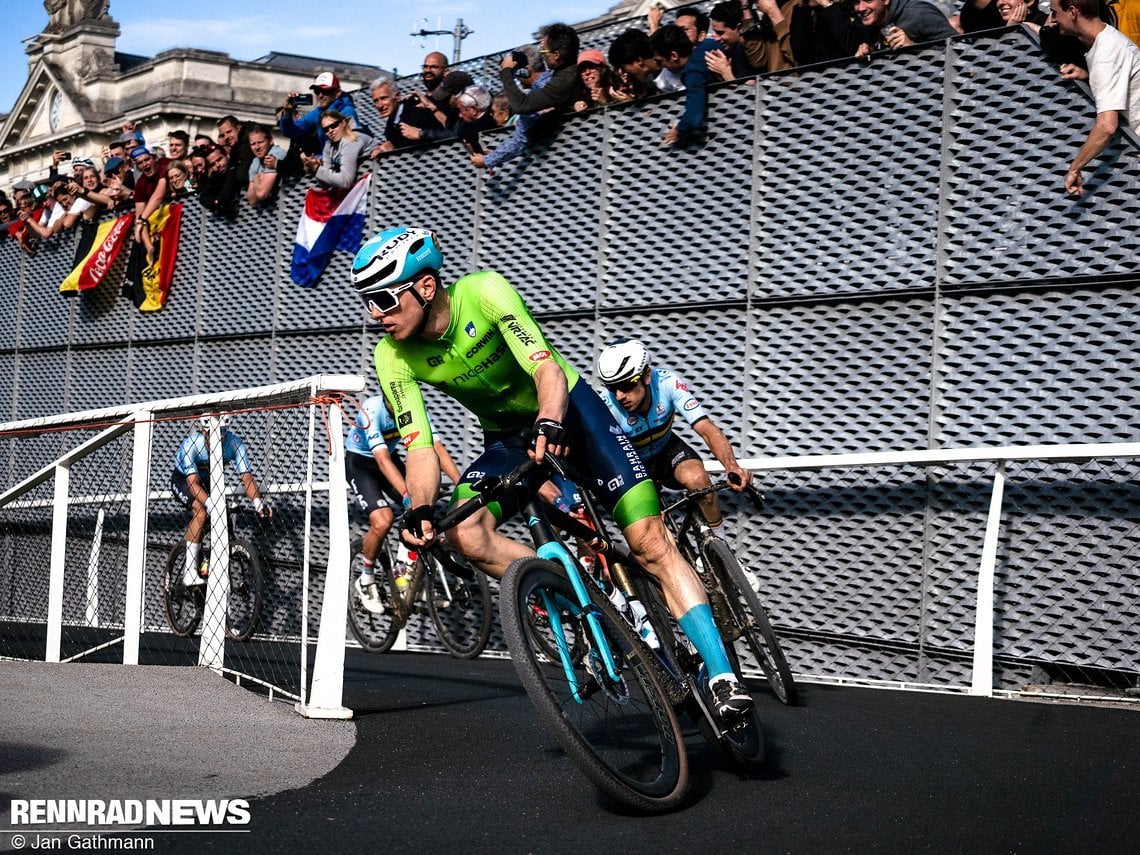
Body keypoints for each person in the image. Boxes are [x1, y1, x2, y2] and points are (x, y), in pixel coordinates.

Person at [349, 226, 754, 721]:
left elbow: (546, 370)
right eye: (367, 302)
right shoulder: (391, 355)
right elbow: (418, 445)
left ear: (426, 287)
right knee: (466, 533)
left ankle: (722, 679)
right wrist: (419, 508)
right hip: (506, 437)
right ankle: (593, 596)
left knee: (650, 543)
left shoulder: (484, 291)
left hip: (572, 411)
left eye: (384, 300)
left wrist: (549, 419)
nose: (376, 314)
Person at [595, 338, 753, 534]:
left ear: (646, 376)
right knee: (651, 531)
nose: (619, 396)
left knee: (699, 480)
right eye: (612, 387)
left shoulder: (667, 383)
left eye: (626, 385)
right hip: (632, 462)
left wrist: (732, 466)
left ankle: (722, 549)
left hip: (666, 450)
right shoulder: (606, 406)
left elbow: (706, 428)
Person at [347, 394, 462, 613]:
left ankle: (406, 572)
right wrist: (406, 494)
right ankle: (366, 578)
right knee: (383, 520)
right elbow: (381, 460)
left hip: (391, 458)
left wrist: (461, 483)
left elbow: (435, 446)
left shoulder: (412, 405)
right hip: (361, 465)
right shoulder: (372, 409)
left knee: (420, 508)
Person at [1052, 0, 1140, 195]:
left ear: (1072, 12)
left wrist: (1075, 167)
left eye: (1055, 12)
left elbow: (1107, 126)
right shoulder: (1107, 36)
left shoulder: (1105, 54)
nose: (1052, 19)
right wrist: (1089, 75)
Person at [171, 417, 272, 587]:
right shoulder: (192, 444)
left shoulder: (234, 443)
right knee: (201, 512)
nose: (218, 441)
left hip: (210, 482)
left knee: (219, 519)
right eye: (213, 437)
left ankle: (204, 563)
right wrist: (210, 504)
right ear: (204, 432)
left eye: (222, 437)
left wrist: (257, 503)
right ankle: (189, 572)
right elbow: (193, 484)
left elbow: (246, 477)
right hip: (184, 481)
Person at [278, 72, 359, 155]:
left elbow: (349, 146)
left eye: (325, 91)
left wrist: (319, 160)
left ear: (337, 93)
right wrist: (287, 112)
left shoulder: (347, 112)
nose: (320, 95)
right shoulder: (318, 112)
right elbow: (291, 131)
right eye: (317, 91)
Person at [300, 110, 372, 189]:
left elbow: (346, 181)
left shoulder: (350, 140)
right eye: (326, 129)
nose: (330, 131)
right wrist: (314, 169)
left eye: (334, 125)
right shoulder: (328, 145)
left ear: (343, 123)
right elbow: (325, 185)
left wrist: (317, 168)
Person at [853, 0, 958, 53]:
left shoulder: (918, 14)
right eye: (856, 2)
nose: (861, 8)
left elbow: (959, 50)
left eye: (868, 0)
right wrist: (868, 57)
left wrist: (913, 47)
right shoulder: (866, 24)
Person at [246, 124, 288, 207]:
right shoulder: (256, 161)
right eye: (253, 144)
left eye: (260, 142)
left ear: (271, 141)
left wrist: (256, 178)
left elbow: (261, 194)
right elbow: (252, 201)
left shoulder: (276, 154)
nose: (257, 147)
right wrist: (259, 178)